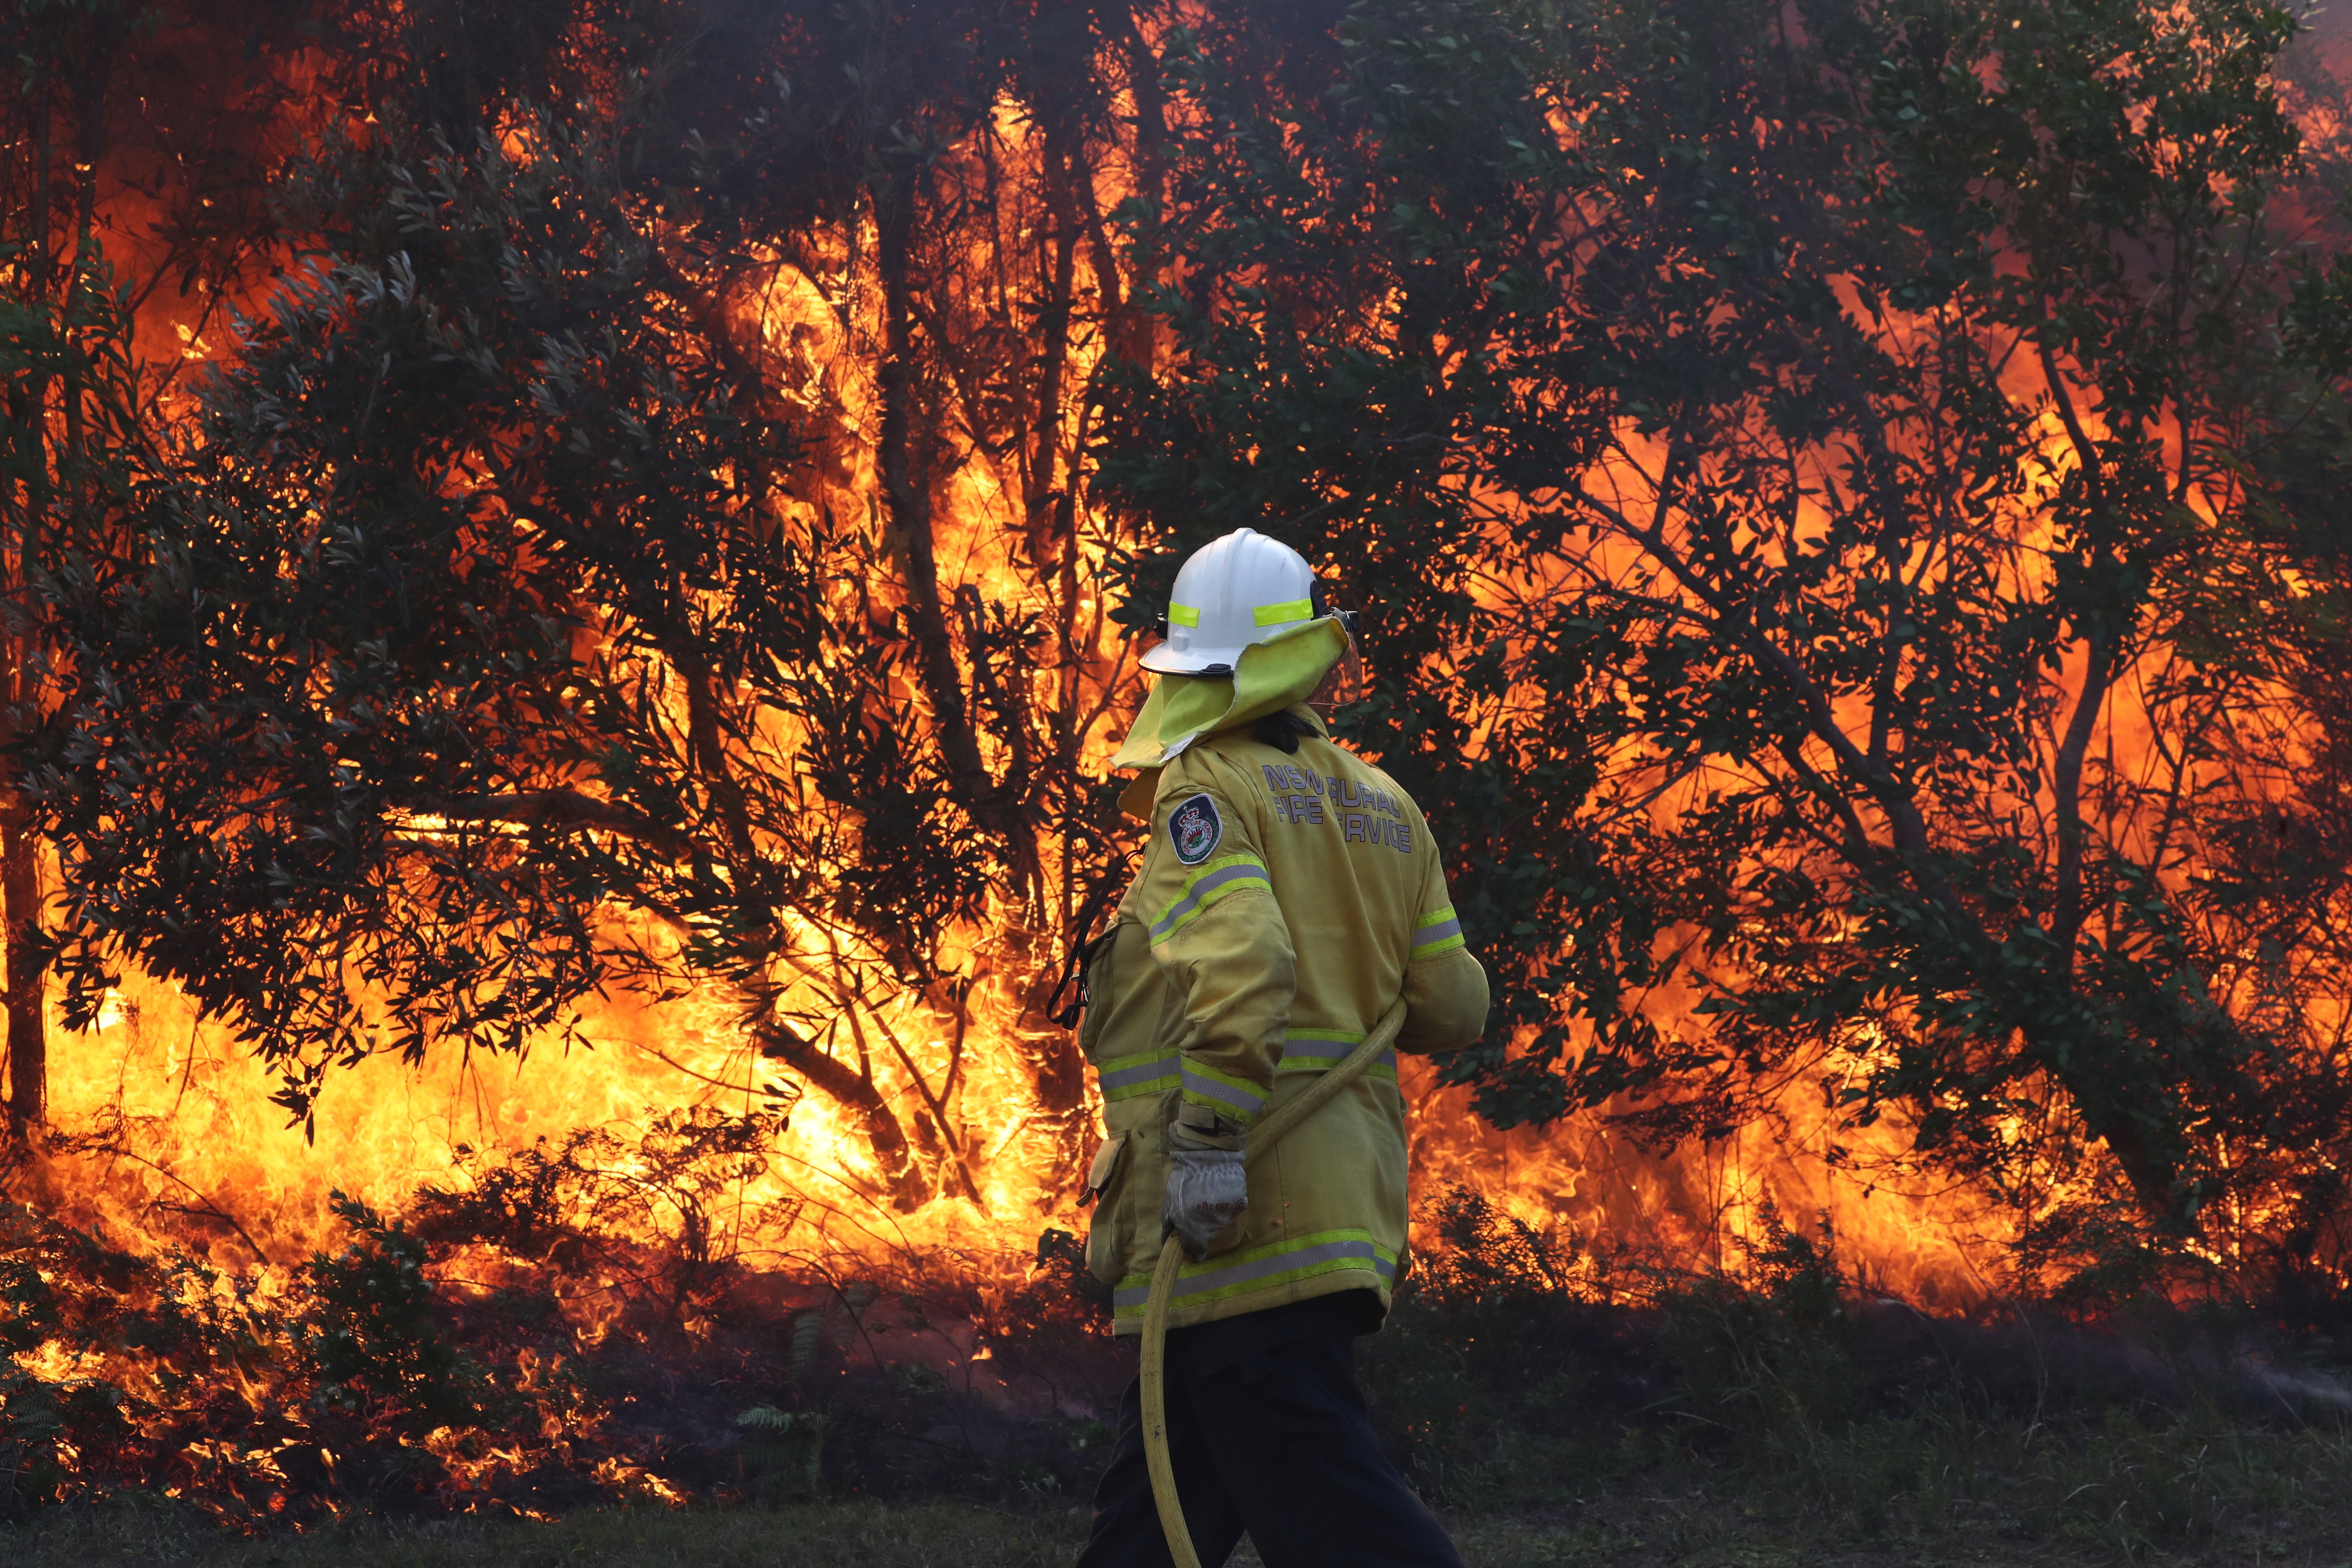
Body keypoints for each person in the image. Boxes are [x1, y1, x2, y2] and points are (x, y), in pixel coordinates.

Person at [1072, 528, 1490, 1568]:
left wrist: (1208, 1141)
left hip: (1241, 1213)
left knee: (1334, 1507)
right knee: (1154, 1515)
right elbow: (1452, 1007)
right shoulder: (1387, 804)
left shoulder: (1209, 788)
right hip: (1333, 1214)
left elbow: (1246, 965)